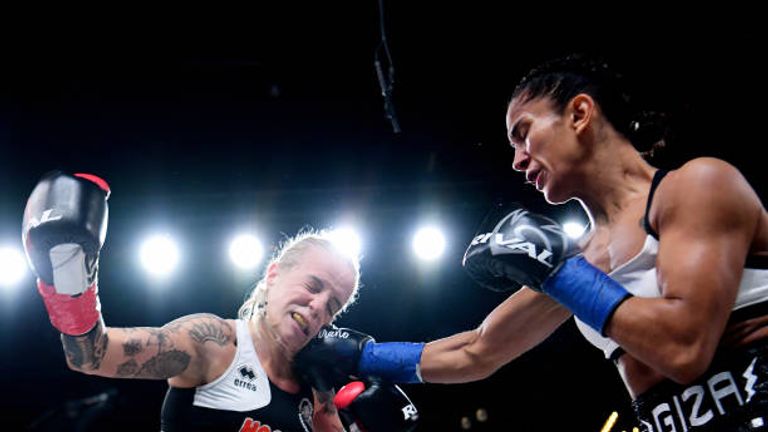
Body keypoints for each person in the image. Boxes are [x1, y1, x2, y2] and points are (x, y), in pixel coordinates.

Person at [295, 53, 768, 431]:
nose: (519, 161)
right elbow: (477, 351)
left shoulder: (698, 186)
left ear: (580, 113)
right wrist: (360, 356)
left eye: (524, 134)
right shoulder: (578, 262)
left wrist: (557, 272)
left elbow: (685, 349)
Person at [22, 171, 418, 432]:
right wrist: (71, 277)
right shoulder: (211, 343)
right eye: (313, 286)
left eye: (334, 305)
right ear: (274, 274)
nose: (319, 307)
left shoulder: (317, 392)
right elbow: (90, 356)